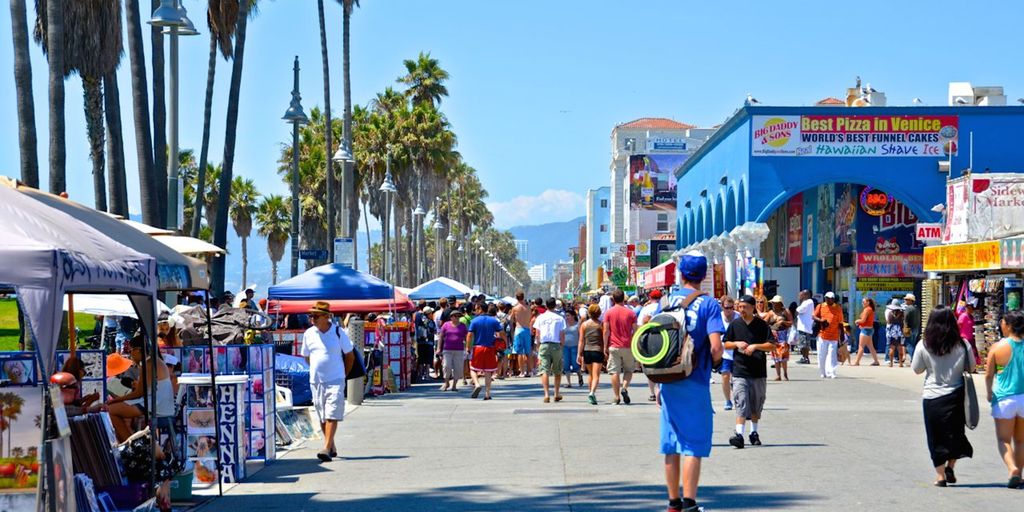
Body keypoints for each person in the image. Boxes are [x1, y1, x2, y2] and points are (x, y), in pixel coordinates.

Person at [659, 252, 725, 512]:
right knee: (692, 445)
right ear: (704, 275)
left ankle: (673, 502)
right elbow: (716, 347)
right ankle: (690, 502)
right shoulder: (709, 305)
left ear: (681, 274)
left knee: (671, 443)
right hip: (695, 379)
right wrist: (717, 364)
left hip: (668, 380)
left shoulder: (666, 301)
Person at [912, 306, 975, 487]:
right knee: (955, 434)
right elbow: (971, 368)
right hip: (955, 396)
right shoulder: (963, 344)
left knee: (935, 436)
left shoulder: (923, 344)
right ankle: (950, 466)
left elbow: (917, 369)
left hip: (932, 397)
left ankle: (940, 476)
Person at [299, 301, 355, 462]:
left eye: (315, 316)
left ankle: (325, 447)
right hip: (316, 380)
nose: (312, 319)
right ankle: (331, 445)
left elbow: (349, 356)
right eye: (311, 316)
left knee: (332, 413)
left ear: (326, 316)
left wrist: (343, 374)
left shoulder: (338, 332)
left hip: (335, 379)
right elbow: (307, 356)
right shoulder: (309, 333)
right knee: (322, 415)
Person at [724, 295, 775, 449]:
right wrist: (736, 343)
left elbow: (772, 345)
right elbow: (726, 343)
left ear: (753, 308)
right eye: (739, 307)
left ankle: (754, 432)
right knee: (741, 401)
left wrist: (755, 346)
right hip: (740, 370)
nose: (741, 310)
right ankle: (739, 435)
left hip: (758, 371)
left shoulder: (762, 325)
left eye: (744, 307)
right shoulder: (735, 324)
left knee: (755, 404)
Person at [106, 334, 176, 442]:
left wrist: (115, 400)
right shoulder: (153, 361)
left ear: (138, 350)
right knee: (118, 409)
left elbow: (139, 393)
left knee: (111, 410)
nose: (130, 355)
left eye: (131, 351)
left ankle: (130, 444)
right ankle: (130, 441)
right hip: (160, 404)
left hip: (157, 406)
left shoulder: (148, 364)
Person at [984, 310, 1024, 488]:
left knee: (1004, 440)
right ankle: (1020, 474)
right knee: (1021, 440)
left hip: (1004, 398)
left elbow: (988, 375)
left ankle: (1012, 468)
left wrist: (988, 393)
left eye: (1002, 322)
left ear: (1008, 325)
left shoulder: (998, 347)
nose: (1001, 325)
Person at [603, 289, 637, 405]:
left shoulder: (608, 313)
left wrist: (604, 346)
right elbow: (635, 330)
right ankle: (625, 388)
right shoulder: (631, 313)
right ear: (624, 298)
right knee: (629, 370)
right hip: (628, 345)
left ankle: (617, 396)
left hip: (614, 345)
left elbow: (606, 331)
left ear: (613, 299)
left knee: (614, 372)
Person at [467, 303, 504, 400]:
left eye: (476, 309)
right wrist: (503, 343)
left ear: (480, 309)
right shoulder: (494, 321)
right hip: (490, 348)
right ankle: (487, 394)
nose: (475, 311)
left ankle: (477, 384)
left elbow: (469, 335)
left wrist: (468, 347)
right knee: (488, 371)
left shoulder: (474, 321)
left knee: (473, 368)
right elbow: (501, 332)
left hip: (478, 347)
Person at [534, 298, 567, 403]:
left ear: (546, 305)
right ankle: (556, 393)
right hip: (556, 345)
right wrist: (562, 345)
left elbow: (537, 334)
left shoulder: (540, 318)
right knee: (557, 370)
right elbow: (562, 334)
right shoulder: (560, 318)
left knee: (544, 370)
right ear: (555, 306)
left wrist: (537, 347)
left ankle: (546, 394)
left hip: (544, 344)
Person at [639, 290, 665, 401]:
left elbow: (640, 325)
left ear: (650, 297)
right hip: (663, 338)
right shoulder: (664, 308)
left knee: (650, 366)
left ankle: (652, 393)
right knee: (663, 365)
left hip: (648, 339)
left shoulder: (646, 309)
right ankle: (661, 389)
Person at [577, 304, 605, 405]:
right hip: (598, 351)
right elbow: (603, 338)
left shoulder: (584, 325)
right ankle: (592, 392)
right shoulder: (601, 324)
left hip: (587, 351)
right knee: (596, 375)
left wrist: (579, 354)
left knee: (590, 374)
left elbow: (581, 341)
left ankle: (591, 393)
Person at [813, 291, 844, 379]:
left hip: (834, 336)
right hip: (822, 335)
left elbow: (840, 323)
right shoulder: (820, 306)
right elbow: (813, 316)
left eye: (831, 298)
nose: (829, 300)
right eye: (827, 298)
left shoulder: (838, 308)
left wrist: (841, 337)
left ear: (833, 299)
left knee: (832, 354)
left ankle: (832, 372)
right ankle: (823, 372)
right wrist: (820, 320)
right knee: (821, 354)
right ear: (825, 298)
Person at [437, 309, 468, 392]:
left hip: (459, 350)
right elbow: (441, 336)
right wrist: (439, 348)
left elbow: (467, 337)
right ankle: (446, 382)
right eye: (455, 316)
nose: (457, 318)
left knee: (458, 368)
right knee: (447, 366)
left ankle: (454, 385)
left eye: (458, 316)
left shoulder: (462, 326)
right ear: (451, 317)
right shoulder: (446, 325)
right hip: (447, 349)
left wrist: (468, 347)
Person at [718, 296, 738, 410]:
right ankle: (727, 400)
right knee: (725, 376)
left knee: (736, 378)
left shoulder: (738, 317)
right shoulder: (718, 317)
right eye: (727, 308)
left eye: (731, 307)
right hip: (725, 353)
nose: (729, 310)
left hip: (737, 352)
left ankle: (737, 398)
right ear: (722, 306)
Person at [767, 295, 792, 381]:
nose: (774, 305)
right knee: (775, 356)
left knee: (783, 355)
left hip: (783, 335)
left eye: (775, 303)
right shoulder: (770, 313)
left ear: (780, 304)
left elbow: (791, 322)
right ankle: (778, 375)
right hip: (774, 335)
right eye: (773, 303)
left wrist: (783, 321)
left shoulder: (785, 311)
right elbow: (765, 322)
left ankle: (785, 373)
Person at [510, 291, 534, 377]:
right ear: (523, 297)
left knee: (519, 352)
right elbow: (530, 318)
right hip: (527, 329)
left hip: (519, 329)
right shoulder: (528, 308)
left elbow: (511, 319)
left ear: (516, 298)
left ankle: (522, 372)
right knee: (528, 352)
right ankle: (529, 371)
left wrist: (512, 331)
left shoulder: (515, 308)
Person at [853, 297, 880, 366]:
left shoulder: (867, 310)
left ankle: (857, 362)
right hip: (869, 329)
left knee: (861, 346)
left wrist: (857, 321)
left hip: (865, 330)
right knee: (870, 346)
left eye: (863, 302)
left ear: (868, 302)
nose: (862, 303)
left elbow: (863, 320)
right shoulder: (870, 309)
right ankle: (876, 361)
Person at [563, 309, 583, 388]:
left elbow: (581, 336)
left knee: (575, 364)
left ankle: (579, 376)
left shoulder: (577, 325)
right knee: (566, 364)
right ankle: (569, 382)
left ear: (573, 316)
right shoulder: (564, 325)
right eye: (566, 316)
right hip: (566, 347)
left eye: (568, 316)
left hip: (575, 346)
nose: (567, 317)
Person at [957, 299, 981, 366]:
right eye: (969, 308)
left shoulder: (971, 317)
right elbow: (958, 325)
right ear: (966, 308)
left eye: (972, 308)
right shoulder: (963, 316)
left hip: (971, 338)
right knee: (967, 353)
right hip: (964, 338)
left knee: (973, 353)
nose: (971, 310)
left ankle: (973, 366)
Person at [795, 290, 816, 364]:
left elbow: (799, 310)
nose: (800, 297)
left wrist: (800, 302)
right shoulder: (807, 302)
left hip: (804, 327)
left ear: (806, 295)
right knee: (803, 344)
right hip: (804, 326)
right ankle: (804, 357)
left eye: (801, 295)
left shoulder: (808, 302)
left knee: (803, 344)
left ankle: (805, 358)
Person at [885, 299, 907, 368]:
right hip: (899, 332)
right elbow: (904, 322)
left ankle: (891, 363)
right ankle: (900, 363)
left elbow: (888, 322)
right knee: (900, 347)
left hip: (892, 332)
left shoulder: (890, 314)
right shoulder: (902, 313)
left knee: (892, 347)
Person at [904, 293, 921, 361]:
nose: (905, 300)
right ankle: (914, 359)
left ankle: (914, 359)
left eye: (907, 299)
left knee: (909, 345)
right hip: (916, 329)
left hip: (909, 329)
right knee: (913, 344)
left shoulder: (908, 308)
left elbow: (905, 319)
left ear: (911, 300)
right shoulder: (916, 308)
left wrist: (905, 328)